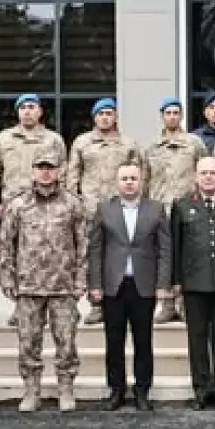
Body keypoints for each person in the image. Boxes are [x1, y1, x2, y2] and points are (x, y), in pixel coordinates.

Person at [0, 151, 86, 413]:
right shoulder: (18, 204)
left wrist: (81, 279)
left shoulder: (73, 204)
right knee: (28, 342)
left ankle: (66, 388)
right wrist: (7, 276)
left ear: (59, 171)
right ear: (33, 171)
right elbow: (6, 243)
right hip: (28, 285)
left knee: (67, 342)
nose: (46, 172)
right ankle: (31, 390)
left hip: (63, 285)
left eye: (50, 167)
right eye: (41, 167)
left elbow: (83, 244)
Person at [87, 163, 172, 412]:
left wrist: (163, 283)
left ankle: (142, 390)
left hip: (144, 286)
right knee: (114, 341)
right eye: (124, 178)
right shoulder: (104, 210)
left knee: (143, 341)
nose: (129, 182)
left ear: (141, 181)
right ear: (117, 182)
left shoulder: (156, 210)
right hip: (114, 286)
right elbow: (95, 250)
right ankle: (116, 389)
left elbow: (164, 249)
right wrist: (95, 284)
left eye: (133, 178)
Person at [0, 93, 66, 329]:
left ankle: (54, 309)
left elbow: (64, 171)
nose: (28, 111)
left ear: (40, 111)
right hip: (15, 207)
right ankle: (20, 306)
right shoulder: (4, 139)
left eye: (32, 107)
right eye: (23, 108)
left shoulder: (53, 140)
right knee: (18, 256)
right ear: (17, 112)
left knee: (51, 255)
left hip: (49, 204)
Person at [172, 156, 215, 410]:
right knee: (197, 339)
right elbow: (176, 247)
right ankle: (201, 390)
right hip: (194, 284)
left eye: (213, 172)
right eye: (204, 173)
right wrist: (176, 281)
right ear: (195, 176)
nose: (209, 177)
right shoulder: (182, 206)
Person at [69, 97, 143, 327]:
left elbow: (140, 174)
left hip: (120, 208)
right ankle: (96, 304)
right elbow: (72, 174)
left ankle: (121, 297)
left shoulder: (128, 144)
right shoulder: (82, 143)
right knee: (92, 256)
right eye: (101, 114)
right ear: (95, 117)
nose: (105, 117)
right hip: (90, 208)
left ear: (115, 117)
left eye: (109, 113)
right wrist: (75, 202)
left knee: (120, 253)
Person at [146, 97, 208, 324]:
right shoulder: (152, 147)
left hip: (187, 208)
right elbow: (145, 178)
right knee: (164, 256)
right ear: (162, 116)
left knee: (187, 255)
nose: (172, 116)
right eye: (168, 113)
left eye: (176, 112)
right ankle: (167, 303)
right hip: (160, 207)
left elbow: (204, 173)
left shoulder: (195, 144)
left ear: (181, 116)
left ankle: (184, 303)